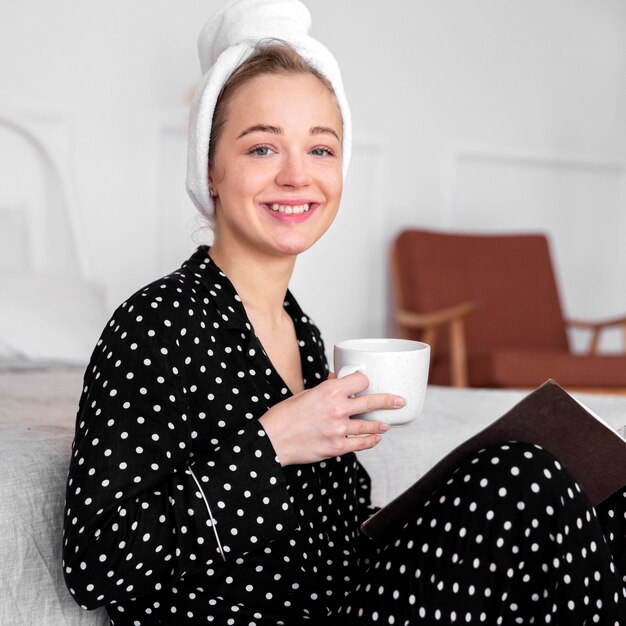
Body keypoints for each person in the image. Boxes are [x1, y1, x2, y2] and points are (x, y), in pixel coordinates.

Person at [63, 1, 626, 624]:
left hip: (344, 593)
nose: (297, 175)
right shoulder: (155, 326)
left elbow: (329, 533)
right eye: (262, 149)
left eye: (321, 150)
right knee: (520, 479)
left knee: (611, 497)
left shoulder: (299, 331)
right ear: (211, 169)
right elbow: (98, 564)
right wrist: (270, 444)